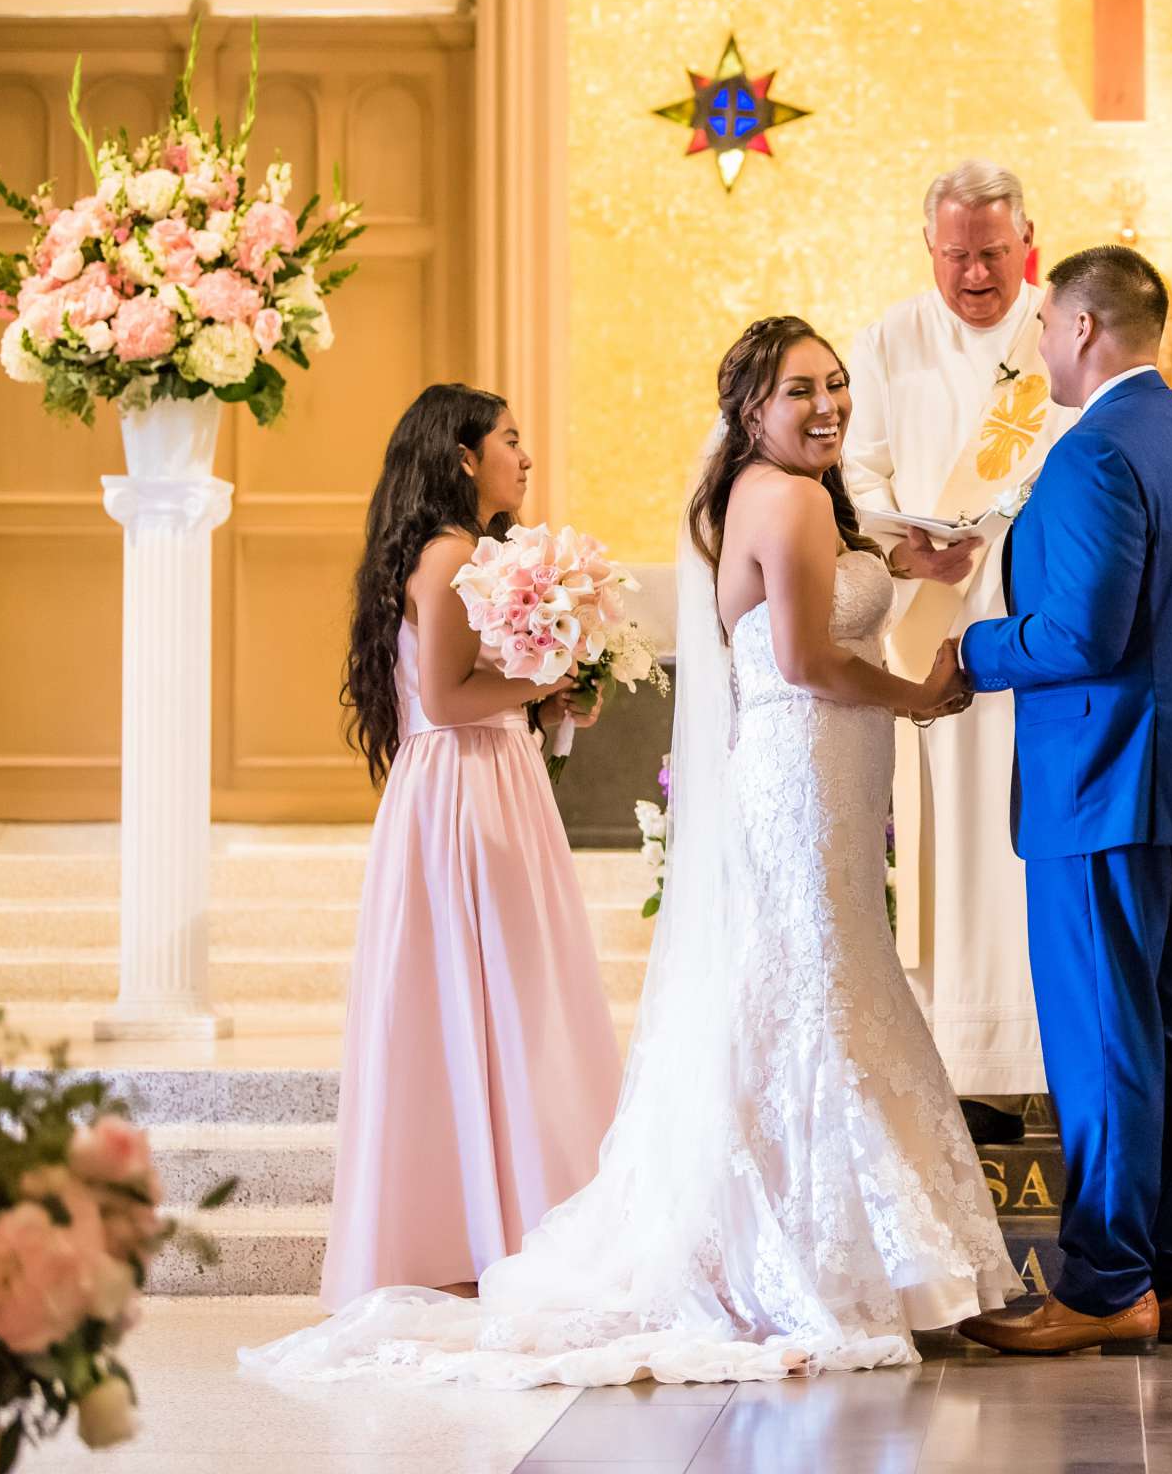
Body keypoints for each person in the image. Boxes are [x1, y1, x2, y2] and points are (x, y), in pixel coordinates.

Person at [243, 320, 1018, 1387]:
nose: (830, 402)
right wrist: (922, 697)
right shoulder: (783, 494)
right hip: (803, 760)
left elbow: (817, 578)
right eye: (803, 389)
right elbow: (801, 655)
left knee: (815, 983)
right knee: (818, 984)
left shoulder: (787, 492)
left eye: (838, 384)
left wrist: (893, 551)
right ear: (754, 410)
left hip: (818, 768)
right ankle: (829, 1247)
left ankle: (825, 1235)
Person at [951, 246, 1172, 1358]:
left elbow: (1082, 634)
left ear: (1079, 326)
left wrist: (972, 648)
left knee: (1103, 1038)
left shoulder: (1091, 455)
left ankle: (1107, 1279)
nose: (1037, 348)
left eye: (1043, 326)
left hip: (1106, 783)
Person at [316, 384, 622, 1307]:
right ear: (462, 458)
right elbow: (448, 702)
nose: (524, 460)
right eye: (510, 442)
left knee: (484, 1005)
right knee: (502, 1001)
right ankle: (503, 1226)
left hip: (484, 778)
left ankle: (486, 1221)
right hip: (466, 790)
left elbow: (473, 684)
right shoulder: (449, 554)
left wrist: (550, 690)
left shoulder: (456, 552)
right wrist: (545, 676)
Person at [843, 160, 1074, 1142]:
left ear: (1026, 242)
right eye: (956, 255)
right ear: (926, 247)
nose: (975, 274)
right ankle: (959, 1060)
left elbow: (1077, 453)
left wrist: (1002, 522)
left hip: (1031, 624)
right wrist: (904, 537)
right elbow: (853, 464)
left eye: (992, 253)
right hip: (928, 620)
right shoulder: (890, 337)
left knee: (1021, 843)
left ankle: (1039, 1055)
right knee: (946, 843)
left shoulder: (1060, 332)